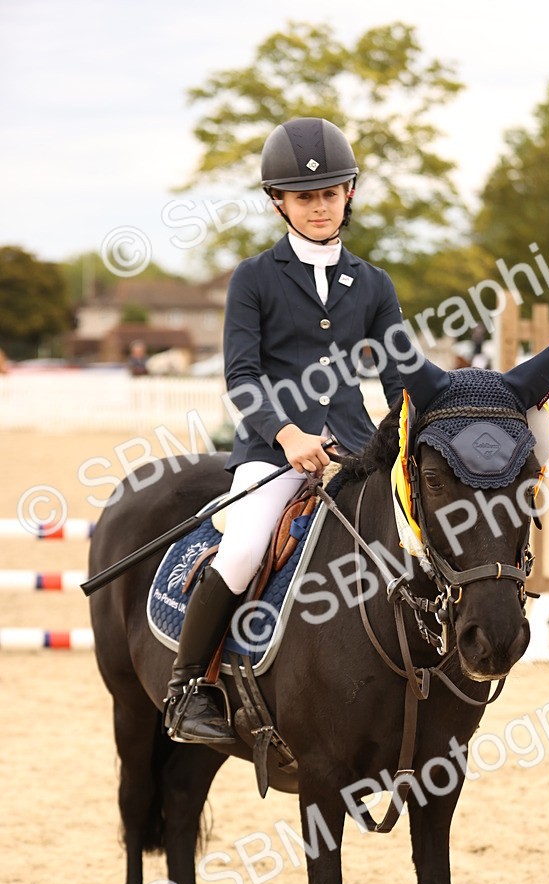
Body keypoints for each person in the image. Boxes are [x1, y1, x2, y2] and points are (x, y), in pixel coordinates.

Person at [164, 117, 411, 743]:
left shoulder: (374, 284)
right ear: (280, 202)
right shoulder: (254, 278)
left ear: (349, 193)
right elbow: (243, 376)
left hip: (356, 449)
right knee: (245, 546)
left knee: (422, 537)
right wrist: (288, 435)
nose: (319, 206)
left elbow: (401, 374)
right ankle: (188, 688)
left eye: (329, 193)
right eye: (305, 197)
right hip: (272, 450)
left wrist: (417, 429)